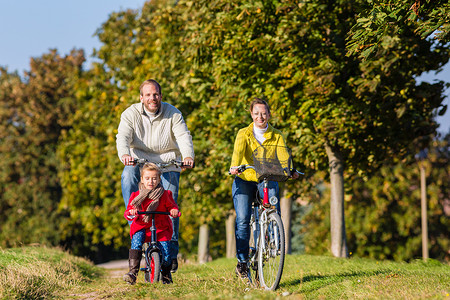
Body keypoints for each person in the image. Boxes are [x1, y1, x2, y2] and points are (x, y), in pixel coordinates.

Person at [116, 79, 194, 273]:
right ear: (141, 98)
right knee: (127, 176)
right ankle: (136, 223)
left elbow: (183, 136)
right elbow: (123, 137)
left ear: (161, 96)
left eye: (156, 94)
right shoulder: (131, 114)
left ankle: (171, 249)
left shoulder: (173, 113)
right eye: (148, 95)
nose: (153, 98)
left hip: (168, 162)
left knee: (171, 201)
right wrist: (125, 154)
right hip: (140, 161)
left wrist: (187, 156)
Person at [229, 98, 299, 279]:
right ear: (251, 114)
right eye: (256, 113)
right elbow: (237, 153)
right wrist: (235, 166)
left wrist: (289, 170)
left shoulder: (277, 135)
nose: (260, 116)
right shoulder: (243, 133)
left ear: (269, 114)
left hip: (267, 178)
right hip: (245, 178)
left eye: (264, 113)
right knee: (243, 220)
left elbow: (283, 156)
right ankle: (242, 261)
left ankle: (271, 241)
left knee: (272, 208)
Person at [123, 163, 179, 284]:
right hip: (142, 226)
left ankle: (166, 274)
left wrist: (173, 210)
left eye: (154, 178)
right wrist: (132, 212)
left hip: (160, 227)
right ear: (142, 180)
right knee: (136, 243)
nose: (151, 181)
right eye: (147, 178)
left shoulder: (165, 194)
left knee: (167, 252)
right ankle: (133, 273)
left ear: (159, 179)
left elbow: (172, 206)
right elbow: (128, 212)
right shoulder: (136, 196)